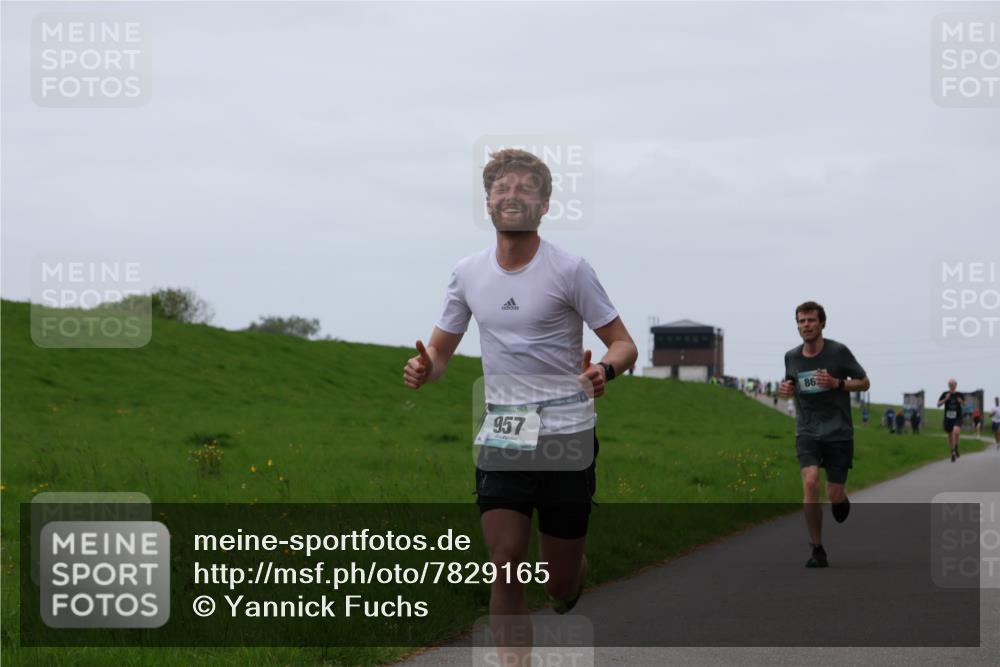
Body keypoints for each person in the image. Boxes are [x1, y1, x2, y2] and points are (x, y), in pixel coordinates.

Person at [402, 149, 637, 659]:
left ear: (544, 205)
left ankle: (571, 580)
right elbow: (440, 351)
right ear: (487, 202)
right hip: (505, 428)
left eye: (524, 189)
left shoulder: (570, 270)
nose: (511, 196)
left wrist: (604, 370)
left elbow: (625, 344)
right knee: (505, 559)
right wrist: (427, 368)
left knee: (558, 584)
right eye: (502, 188)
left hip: (567, 434)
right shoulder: (467, 273)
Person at [778, 301, 870, 568]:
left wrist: (837, 384)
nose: (805, 325)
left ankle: (841, 500)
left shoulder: (838, 352)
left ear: (822, 323)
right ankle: (817, 548)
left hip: (838, 431)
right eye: (801, 321)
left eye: (810, 320)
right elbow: (791, 383)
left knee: (833, 494)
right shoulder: (791, 356)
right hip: (807, 429)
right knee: (809, 482)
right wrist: (786, 389)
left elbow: (864, 382)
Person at [937, 379, 965, 462]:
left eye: (952, 384)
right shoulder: (945, 394)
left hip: (957, 417)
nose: (951, 386)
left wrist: (961, 402)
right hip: (948, 418)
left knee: (956, 431)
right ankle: (953, 451)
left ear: (956, 385)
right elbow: (938, 404)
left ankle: (956, 447)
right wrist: (945, 399)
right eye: (949, 385)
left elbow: (964, 404)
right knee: (950, 435)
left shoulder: (959, 394)